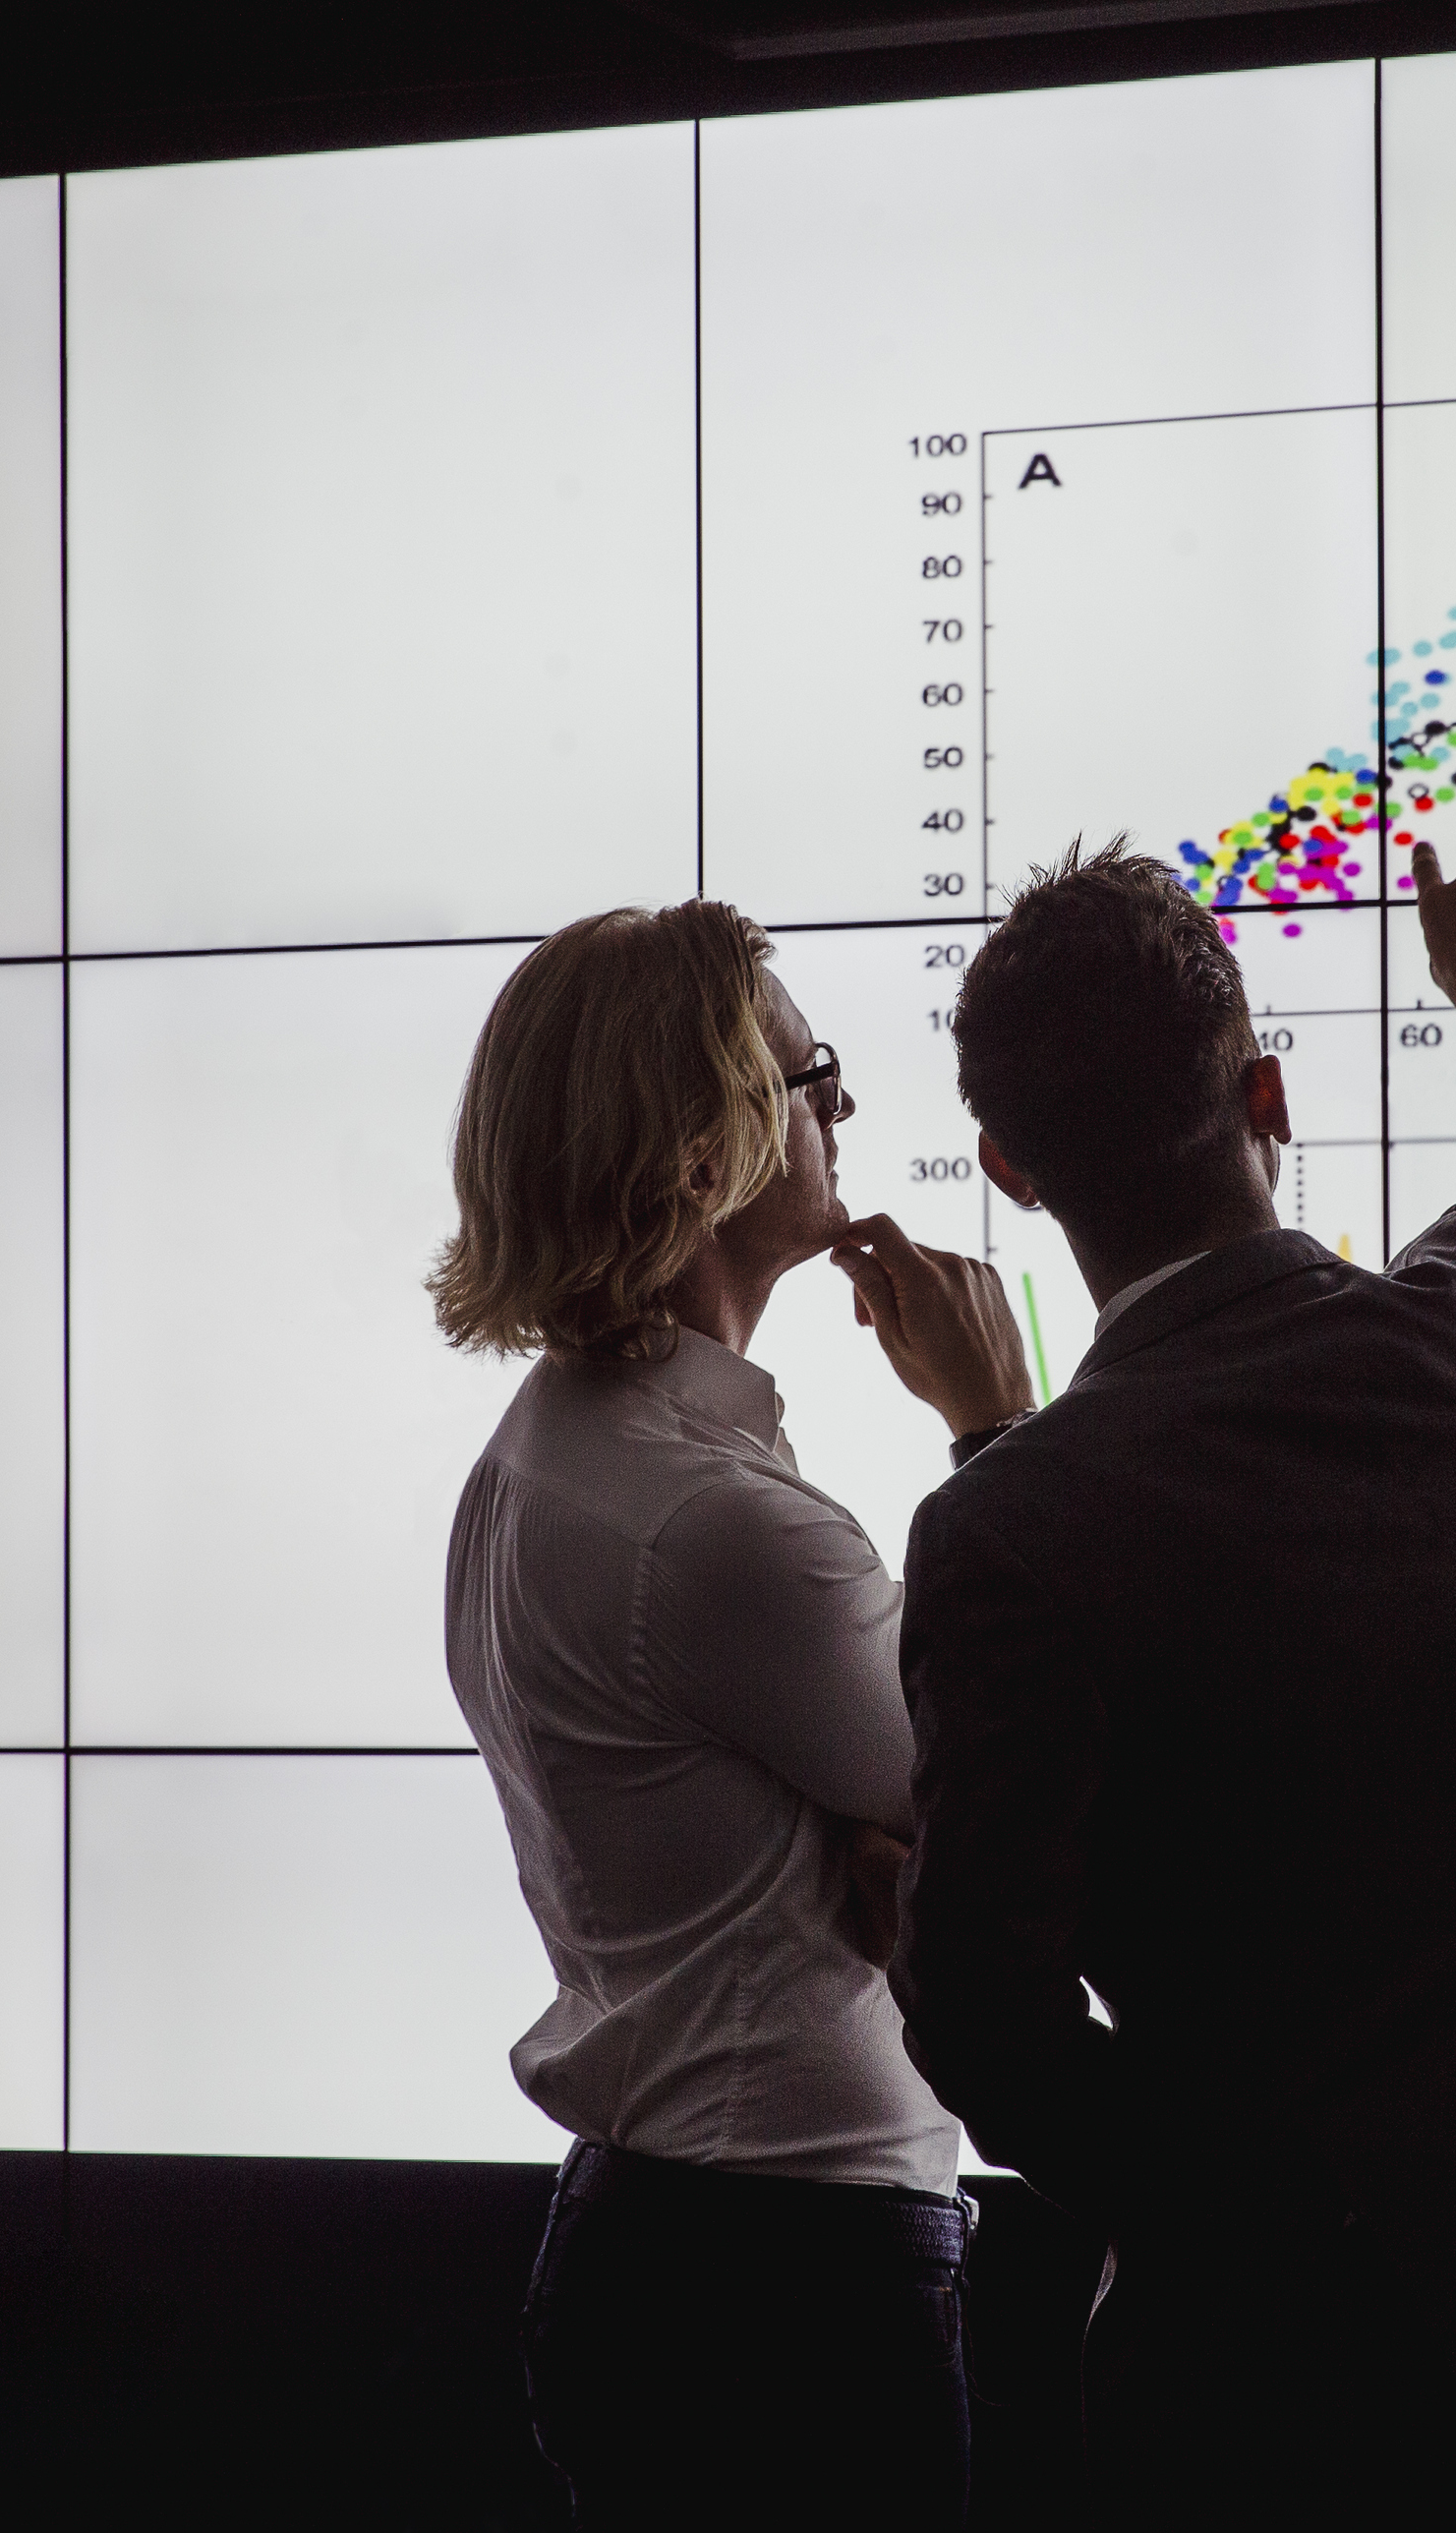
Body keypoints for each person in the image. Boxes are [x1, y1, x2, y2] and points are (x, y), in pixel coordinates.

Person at [891, 841, 1456, 2525]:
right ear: (1268, 1093)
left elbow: (977, 2014)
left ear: (1009, 1171)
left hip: (1261, 2395)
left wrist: (1252, 2222)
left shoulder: (1008, 1525)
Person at [430, 900, 1034, 2528]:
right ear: (700, 1154)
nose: (838, 1107)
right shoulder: (713, 1526)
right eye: (804, 1076)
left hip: (673, 2244)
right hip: (790, 2282)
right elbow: (1030, 1806)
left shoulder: (547, 1459)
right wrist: (1000, 1432)